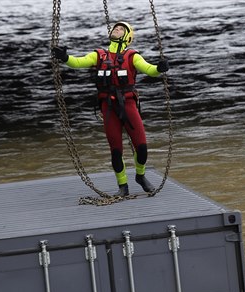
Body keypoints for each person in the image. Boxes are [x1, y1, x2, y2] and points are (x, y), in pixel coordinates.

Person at [51, 21, 169, 197]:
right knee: (116, 150)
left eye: (121, 29)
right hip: (108, 107)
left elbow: (149, 70)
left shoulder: (132, 56)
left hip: (128, 105)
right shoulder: (99, 55)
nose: (116, 29)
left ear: (127, 37)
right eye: (115, 27)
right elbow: (78, 62)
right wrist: (65, 58)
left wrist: (160, 69)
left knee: (142, 147)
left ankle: (140, 175)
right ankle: (123, 185)